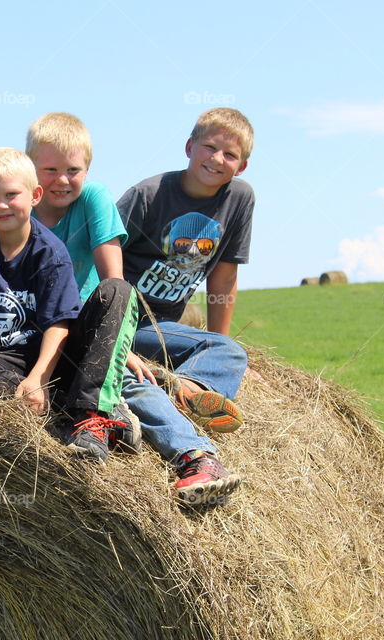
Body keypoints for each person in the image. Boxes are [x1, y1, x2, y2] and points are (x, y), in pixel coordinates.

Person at [0, 147, 136, 464]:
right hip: (7, 359)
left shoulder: (50, 251)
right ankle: (70, 411)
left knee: (116, 290)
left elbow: (59, 325)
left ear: (35, 195)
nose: (2, 205)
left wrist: (38, 378)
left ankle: (92, 416)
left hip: (58, 358)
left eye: (11, 194)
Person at [117, 107, 254, 504]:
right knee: (213, 354)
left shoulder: (239, 199)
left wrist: (216, 347)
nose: (217, 159)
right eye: (209, 148)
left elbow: (223, 278)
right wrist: (113, 340)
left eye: (229, 155)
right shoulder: (148, 195)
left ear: (242, 166)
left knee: (227, 349)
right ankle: (183, 409)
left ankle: (188, 388)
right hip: (124, 320)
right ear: (189, 147)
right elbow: (98, 261)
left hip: (161, 327)